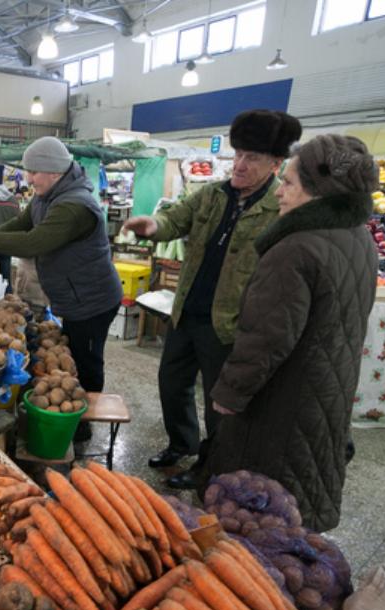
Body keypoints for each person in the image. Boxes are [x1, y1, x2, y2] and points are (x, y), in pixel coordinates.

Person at [205, 134, 379, 532]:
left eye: (288, 183)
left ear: (317, 193)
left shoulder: (295, 249)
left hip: (283, 398)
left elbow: (266, 336)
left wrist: (230, 394)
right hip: (326, 387)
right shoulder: (357, 238)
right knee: (299, 501)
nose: (279, 193)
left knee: (259, 507)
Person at [124, 110, 302, 488]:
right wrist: (152, 226)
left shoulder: (278, 209)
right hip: (187, 311)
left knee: (220, 402)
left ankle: (211, 464)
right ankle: (180, 443)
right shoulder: (212, 194)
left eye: (251, 157)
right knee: (172, 383)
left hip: (230, 322)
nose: (239, 164)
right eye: (237, 154)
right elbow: (175, 220)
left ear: (275, 163)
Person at [0, 137, 122, 440]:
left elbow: (34, 241)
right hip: (75, 294)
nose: (28, 178)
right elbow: (22, 223)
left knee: (87, 360)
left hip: (92, 298)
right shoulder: (46, 196)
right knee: (77, 354)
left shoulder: (75, 206)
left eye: (33, 172)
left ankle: (82, 423)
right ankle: (76, 414)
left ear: (55, 172)